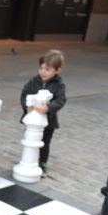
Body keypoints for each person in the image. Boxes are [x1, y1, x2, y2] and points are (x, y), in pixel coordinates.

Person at [20, 49, 67, 178]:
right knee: (30, 138)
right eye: (41, 68)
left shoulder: (59, 85)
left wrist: (48, 107)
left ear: (57, 71)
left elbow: (61, 100)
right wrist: (27, 107)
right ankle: (28, 159)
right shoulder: (33, 81)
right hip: (31, 118)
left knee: (45, 142)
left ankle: (42, 163)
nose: (42, 72)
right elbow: (24, 94)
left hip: (48, 121)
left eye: (47, 69)